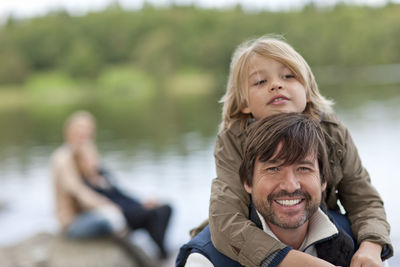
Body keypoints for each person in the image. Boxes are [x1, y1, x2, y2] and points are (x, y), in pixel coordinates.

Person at [204, 35, 393, 267]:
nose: (276, 84)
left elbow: (363, 199)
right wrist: (291, 261)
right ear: (244, 103)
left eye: (288, 76)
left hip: (317, 220)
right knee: (203, 248)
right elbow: (225, 216)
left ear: (307, 89)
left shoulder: (332, 131)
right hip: (255, 227)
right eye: (260, 82)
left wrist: (371, 245)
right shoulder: (233, 139)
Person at [176, 113, 356, 267]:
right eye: (273, 169)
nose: (290, 185)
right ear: (247, 182)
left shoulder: (359, 245)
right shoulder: (207, 260)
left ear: (323, 180)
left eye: (303, 168)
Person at [51, 110, 172, 259]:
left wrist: (140, 202)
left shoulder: (86, 153)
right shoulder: (63, 158)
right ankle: (137, 252)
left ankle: (155, 252)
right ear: (69, 130)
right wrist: (106, 205)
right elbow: (79, 192)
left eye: (87, 129)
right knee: (112, 217)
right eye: (79, 128)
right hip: (74, 222)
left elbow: (111, 188)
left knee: (155, 210)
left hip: (92, 213)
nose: (84, 133)